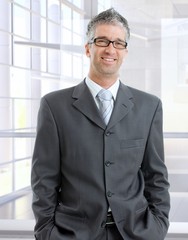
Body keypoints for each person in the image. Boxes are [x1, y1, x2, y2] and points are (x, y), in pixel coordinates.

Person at [31, 8, 170, 240]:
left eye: (118, 43)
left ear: (125, 52)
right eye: (102, 40)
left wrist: (157, 226)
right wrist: (46, 232)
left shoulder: (149, 106)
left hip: (135, 232)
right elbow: (43, 179)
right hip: (72, 233)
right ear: (88, 48)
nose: (110, 49)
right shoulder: (54, 106)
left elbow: (156, 176)